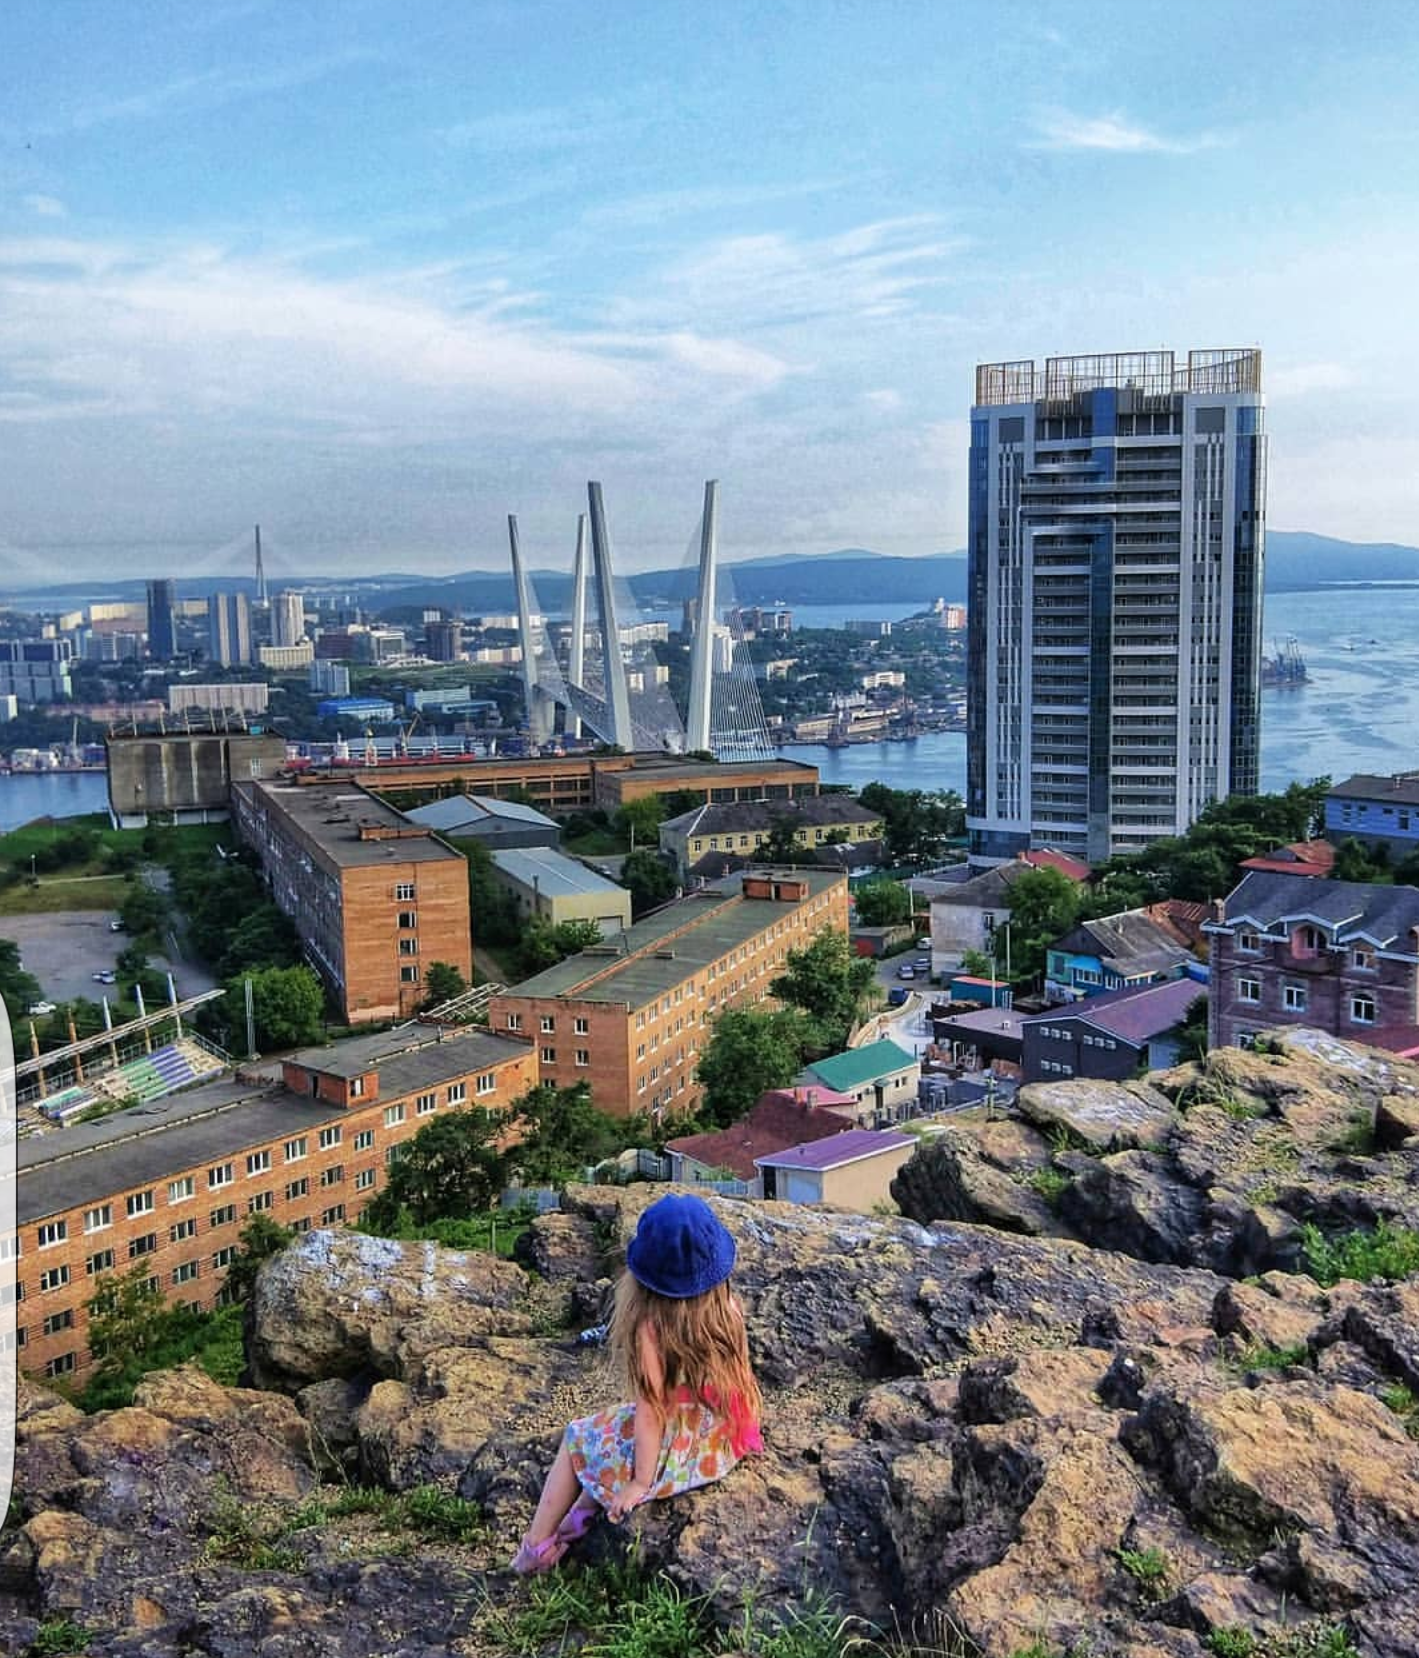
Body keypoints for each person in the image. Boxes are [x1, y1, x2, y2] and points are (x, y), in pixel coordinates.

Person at [510, 1192, 763, 1574]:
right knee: (612, 1430)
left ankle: (536, 1549)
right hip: (717, 1441)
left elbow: (650, 1412)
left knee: (579, 1436)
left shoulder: (651, 1329)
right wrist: (744, 1433)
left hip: (672, 1454)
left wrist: (640, 1483)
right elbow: (742, 1378)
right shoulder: (730, 1310)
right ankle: (579, 1515)